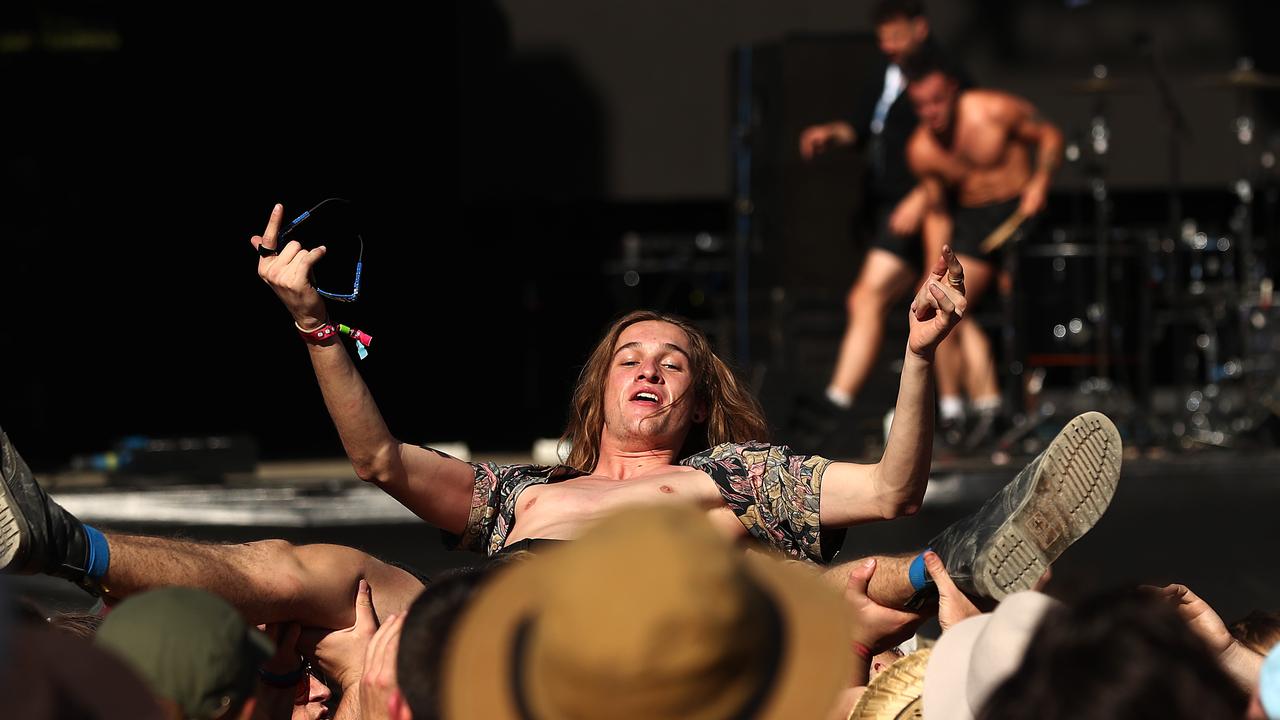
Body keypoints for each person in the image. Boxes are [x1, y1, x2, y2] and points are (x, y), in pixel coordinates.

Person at [795, 0, 967, 450]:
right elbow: (861, 126)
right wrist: (832, 133)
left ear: (919, 28)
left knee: (913, 303)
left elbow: (959, 151)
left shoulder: (946, 75)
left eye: (895, 33)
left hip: (929, 211)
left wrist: (922, 194)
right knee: (899, 304)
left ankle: (845, 405)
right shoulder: (885, 73)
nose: (887, 43)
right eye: (882, 36)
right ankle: (956, 412)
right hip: (891, 210)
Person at [902, 46, 1064, 450]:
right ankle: (960, 411)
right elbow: (938, 211)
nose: (932, 113)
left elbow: (1050, 135)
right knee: (946, 303)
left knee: (1020, 310)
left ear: (953, 91)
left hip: (1022, 209)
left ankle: (1007, 405)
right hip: (975, 222)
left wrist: (1041, 179)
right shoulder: (921, 149)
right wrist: (932, 267)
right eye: (921, 106)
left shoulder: (993, 110)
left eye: (938, 101)